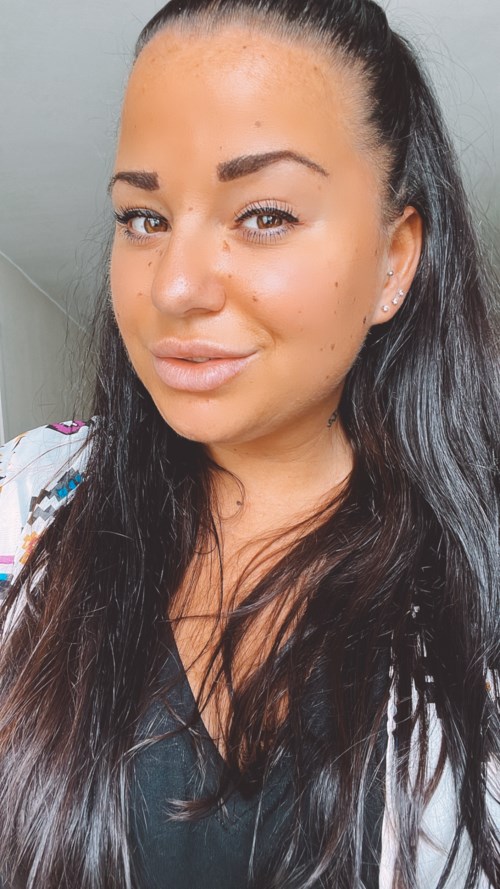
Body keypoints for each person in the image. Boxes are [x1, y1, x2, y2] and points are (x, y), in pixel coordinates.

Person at [0, 0, 498, 886]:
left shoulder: (476, 581)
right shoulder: (27, 499)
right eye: (143, 217)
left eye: (264, 214)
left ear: (394, 260)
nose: (175, 286)